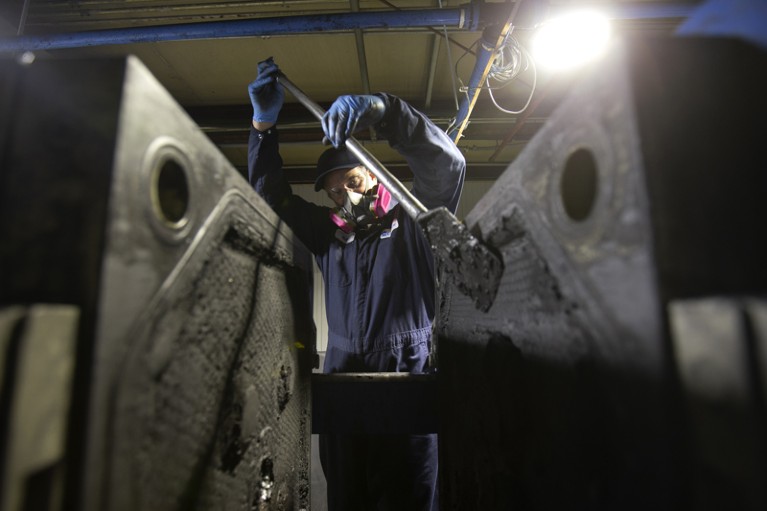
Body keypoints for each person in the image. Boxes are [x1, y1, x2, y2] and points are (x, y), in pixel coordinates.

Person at [247, 57, 465, 511]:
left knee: (408, 500)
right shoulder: (332, 235)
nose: (341, 195)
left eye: (349, 181)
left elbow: (449, 165)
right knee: (348, 500)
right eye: (330, 190)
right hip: (343, 387)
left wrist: (387, 112)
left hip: (406, 384)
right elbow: (273, 199)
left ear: (372, 174)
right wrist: (263, 129)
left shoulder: (415, 221)